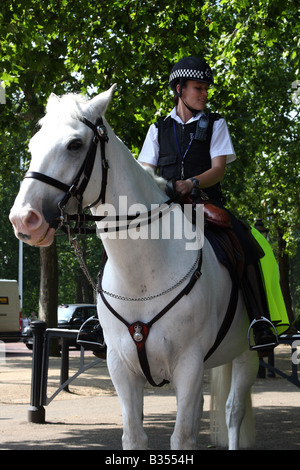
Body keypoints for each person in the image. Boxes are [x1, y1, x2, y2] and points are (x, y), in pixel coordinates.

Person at [138, 56, 278, 353]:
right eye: (198, 88)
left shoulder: (216, 124)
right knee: (119, 235)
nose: (204, 93)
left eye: (206, 88)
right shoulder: (157, 129)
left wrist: (192, 183)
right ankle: (103, 322)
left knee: (246, 243)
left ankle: (259, 321)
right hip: (165, 212)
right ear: (179, 89)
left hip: (204, 205)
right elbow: (145, 171)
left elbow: (218, 170)